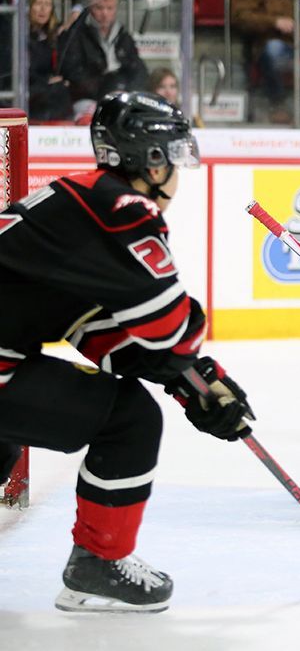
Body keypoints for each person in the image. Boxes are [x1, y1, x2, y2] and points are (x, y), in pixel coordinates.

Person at [0, 91, 254, 612]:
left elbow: (88, 328)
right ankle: (99, 563)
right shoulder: (125, 209)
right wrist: (196, 372)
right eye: (175, 156)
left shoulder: (75, 199)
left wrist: (191, 381)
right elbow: (168, 326)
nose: (180, 172)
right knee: (130, 417)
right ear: (151, 159)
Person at [59, 0, 150, 116]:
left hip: (120, 96)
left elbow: (138, 70)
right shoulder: (77, 35)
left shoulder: (124, 36)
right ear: (90, 8)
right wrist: (104, 87)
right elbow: (72, 72)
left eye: (110, 8)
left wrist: (128, 90)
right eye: (99, 8)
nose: (105, 13)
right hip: (87, 99)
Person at [27, 0, 73, 121]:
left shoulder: (55, 36)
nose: (43, 9)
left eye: (47, 4)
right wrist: (46, 80)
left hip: (48, 88)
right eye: (38, 3)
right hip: (29, 89)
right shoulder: (19, 35)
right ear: (29, 6)